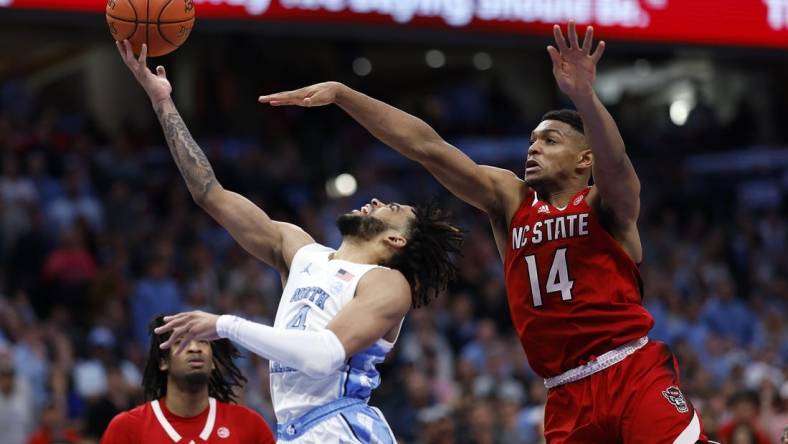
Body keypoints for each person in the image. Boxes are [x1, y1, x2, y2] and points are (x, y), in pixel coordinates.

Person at [259, 22, 712, 443]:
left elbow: (617, 165)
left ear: (584, 160)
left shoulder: (604, 203)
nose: (534, 147)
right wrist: (344, 95)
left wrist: (585, 97)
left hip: (630, 371)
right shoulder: (511, 201)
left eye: (550, 140)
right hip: (563, 393)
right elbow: (427, 148)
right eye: (532, 139)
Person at [115, 40, 463, 443]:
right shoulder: (300, 251)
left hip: (342, 427)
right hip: (295, 431)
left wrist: (224, 324)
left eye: (393, 207)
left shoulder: (385, 283)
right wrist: (163, 104)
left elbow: (323, 356)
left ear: (397, 239)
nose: (377, 201)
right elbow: (209, 193)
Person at [101, 315, 275, 443]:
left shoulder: (249, 424)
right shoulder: (127, 428)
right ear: (163, 362)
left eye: (203, 341)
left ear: (213, 362)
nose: (194, 348)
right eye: (181, 342)